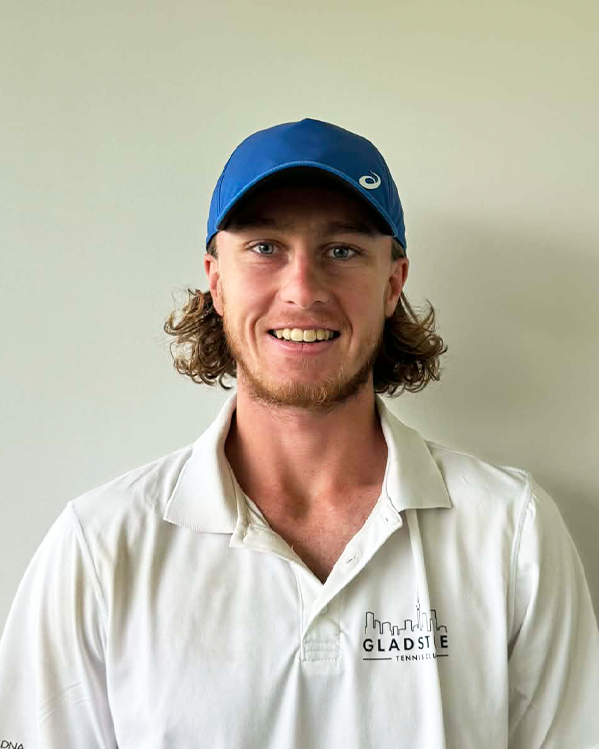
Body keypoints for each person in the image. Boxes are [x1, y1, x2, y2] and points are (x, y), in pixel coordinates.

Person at [0, 117, 598, 748]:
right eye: (265, 248)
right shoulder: (101, 546)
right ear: (216, 280)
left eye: (342, 250)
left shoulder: (510, 530)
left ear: (392, 284)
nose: (303, 290)